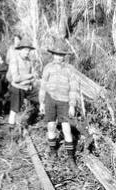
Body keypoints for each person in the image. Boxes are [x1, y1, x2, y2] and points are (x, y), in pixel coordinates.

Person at [39, 38, 80, 169]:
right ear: (53, 55)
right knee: (51, 127)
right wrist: (41, 102)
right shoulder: (48, 67)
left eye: (61, 55)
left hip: (64, 102)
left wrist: (72, 105)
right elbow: (43, 86)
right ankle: (52, 152)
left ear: (64, 56)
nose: (58, 57)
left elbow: (73, 88)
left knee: (66, 129)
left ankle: (70, 158)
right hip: (50, 100)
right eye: (56, 54)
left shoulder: (70, 69)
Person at [7, 39, 38, 133]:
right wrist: (30, 76)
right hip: (17, 87)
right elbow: (15, 78)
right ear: (20, 50)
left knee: (39, 98)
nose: (27, 52)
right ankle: (11, 129)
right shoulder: (14, 60)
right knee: (14, 109)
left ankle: (29, 121)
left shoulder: (29, 61)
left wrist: (29, 79)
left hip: (27, 87)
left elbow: (35, 75)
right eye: (25, 50)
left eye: (28, 50)